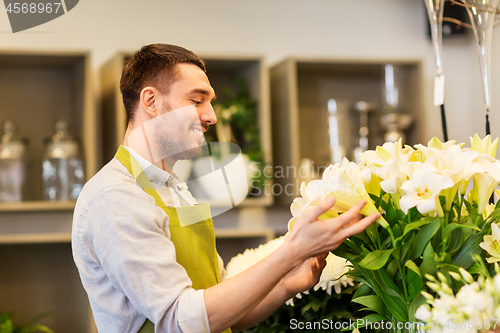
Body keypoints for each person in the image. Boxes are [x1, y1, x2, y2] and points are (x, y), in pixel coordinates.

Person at [71, 43, 380, 333]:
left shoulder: (176, 188)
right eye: (195, 100)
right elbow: (180, 320)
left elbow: (217, 312)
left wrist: (286, 285)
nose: (211, 116)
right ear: (150, 101)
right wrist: (290, 251)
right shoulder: (115, 196)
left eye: (210, 102)